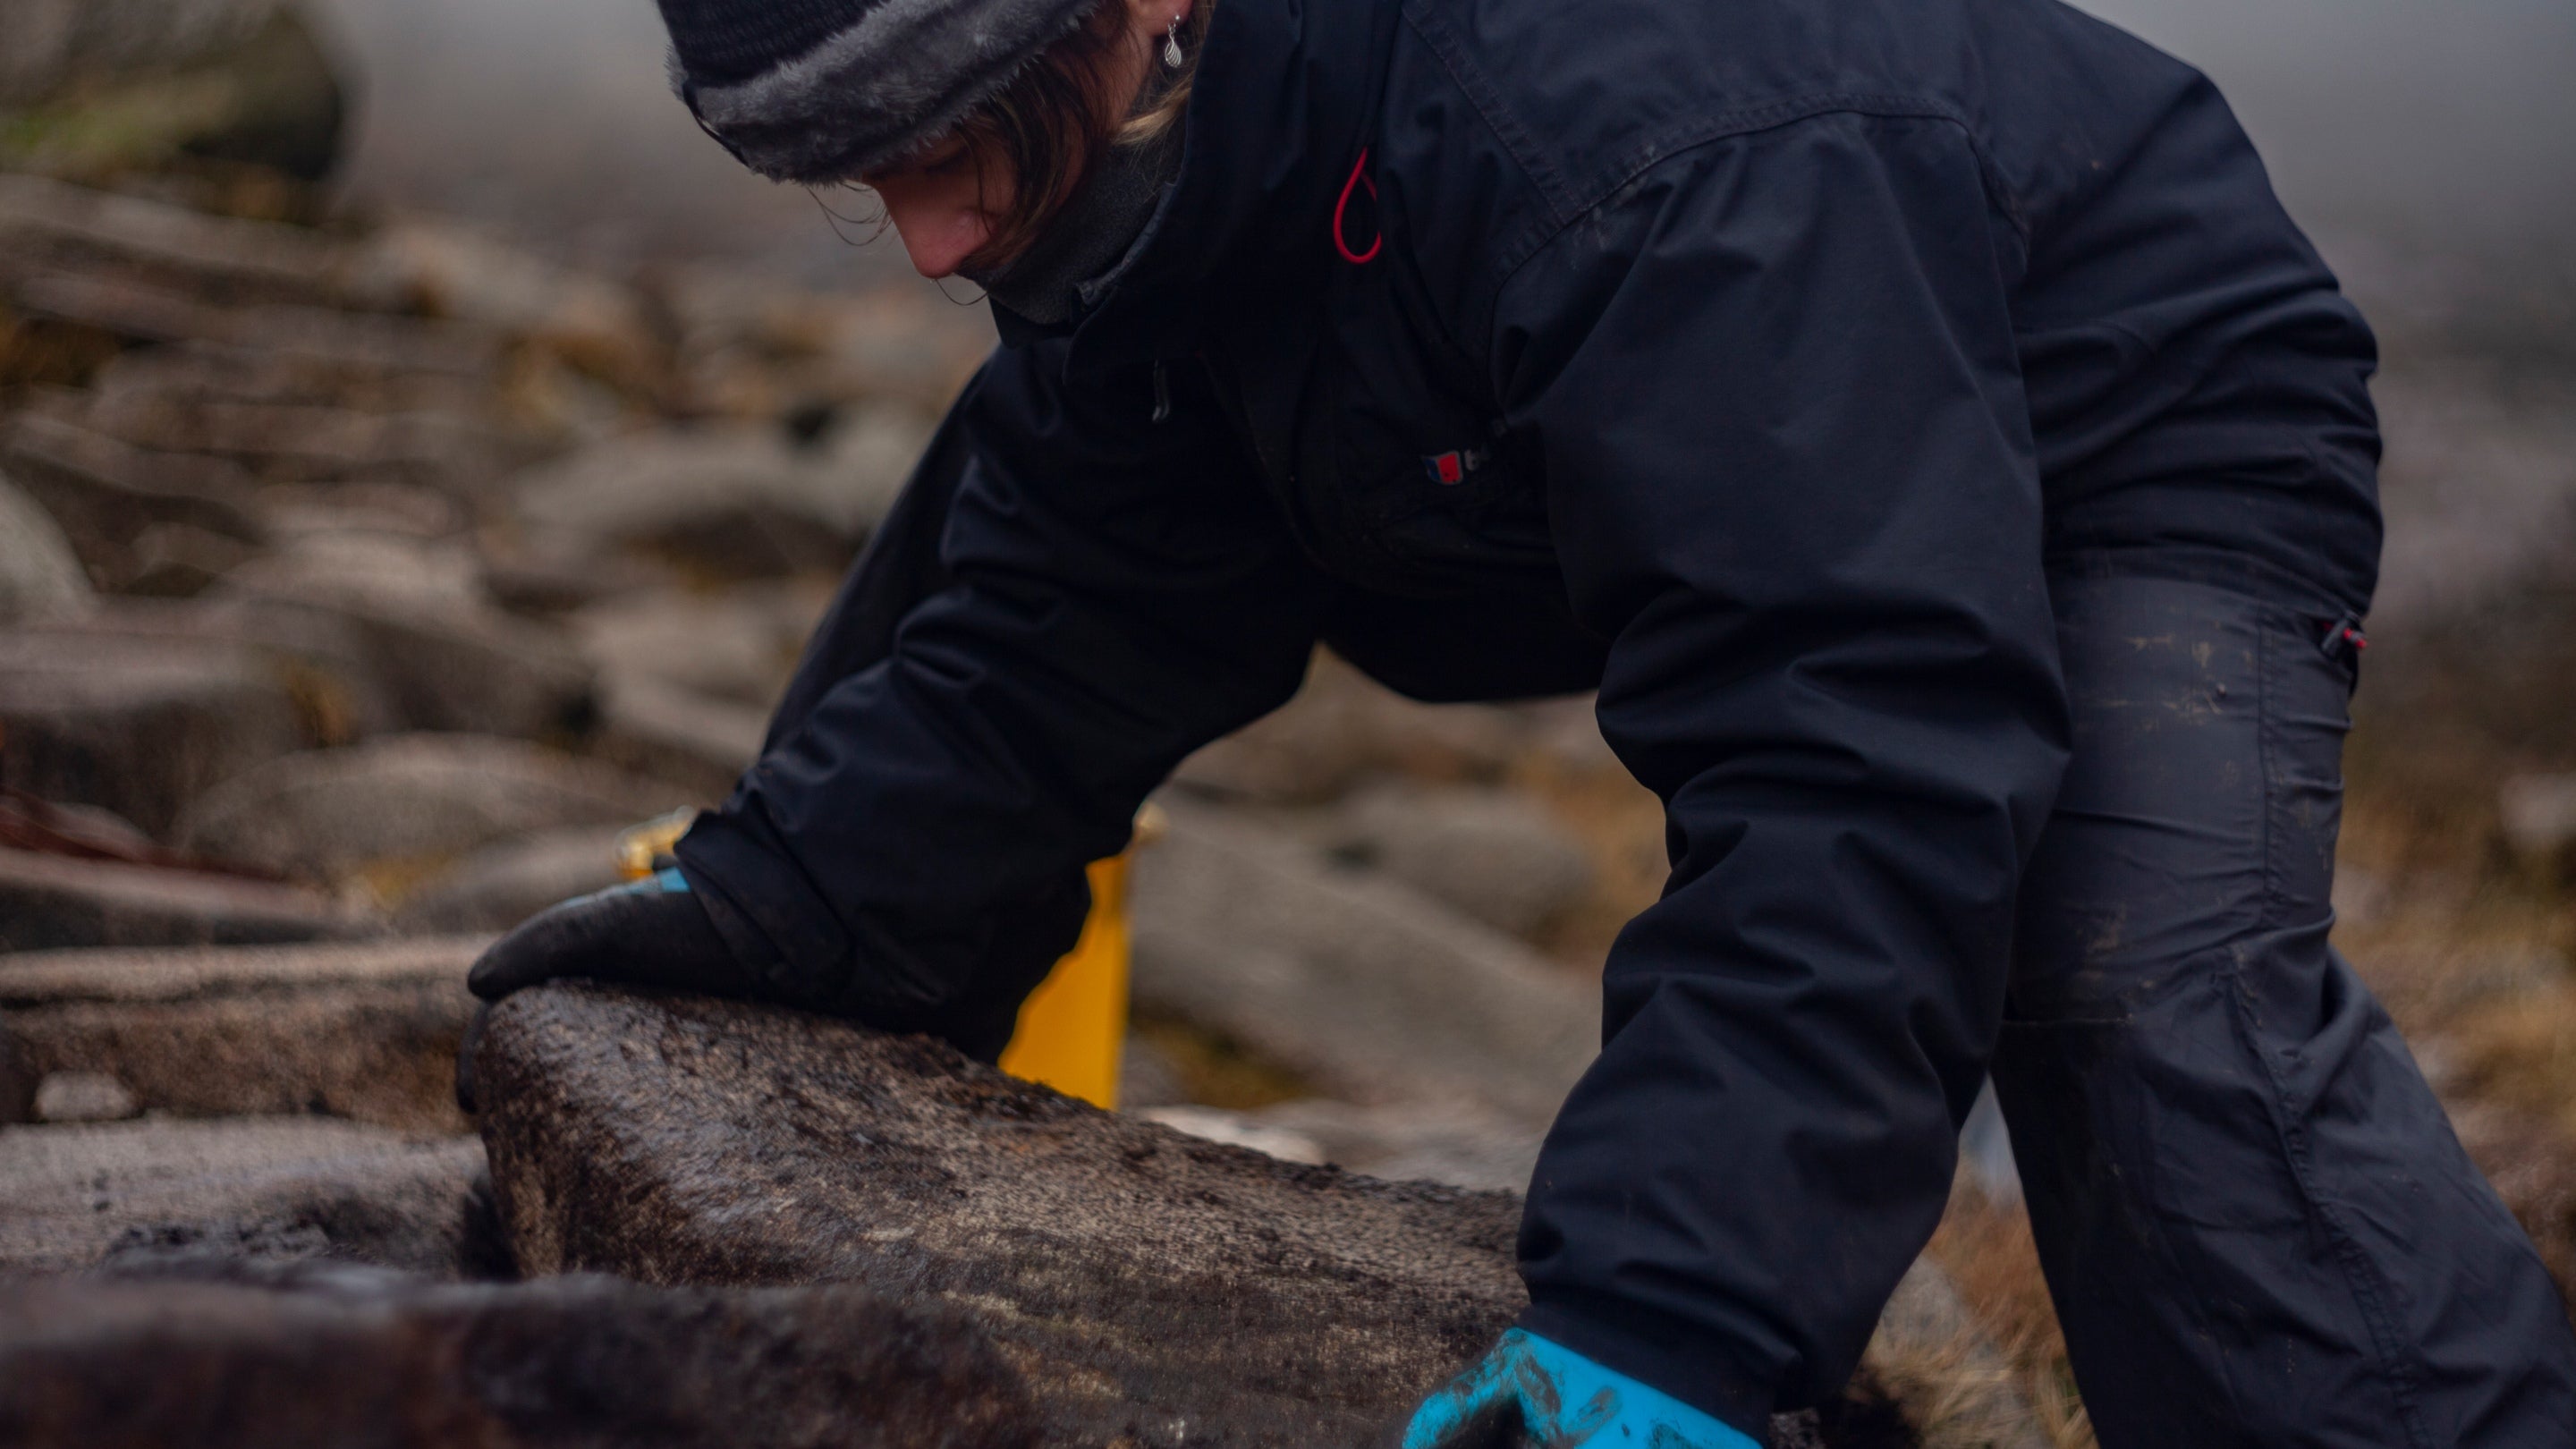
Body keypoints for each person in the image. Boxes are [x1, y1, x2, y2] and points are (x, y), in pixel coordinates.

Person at [459, 0, 2576, 1441]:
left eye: (955, 137)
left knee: (2127, 995)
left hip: (2123, 410)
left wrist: (1673, 1324)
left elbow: (1848, 728)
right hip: (1565, 407)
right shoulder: (1164, 148)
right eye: (854, 174)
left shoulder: (1646, 112)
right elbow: (1047, 630)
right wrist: (782, 915)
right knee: (1050, 424)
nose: (926, 234)